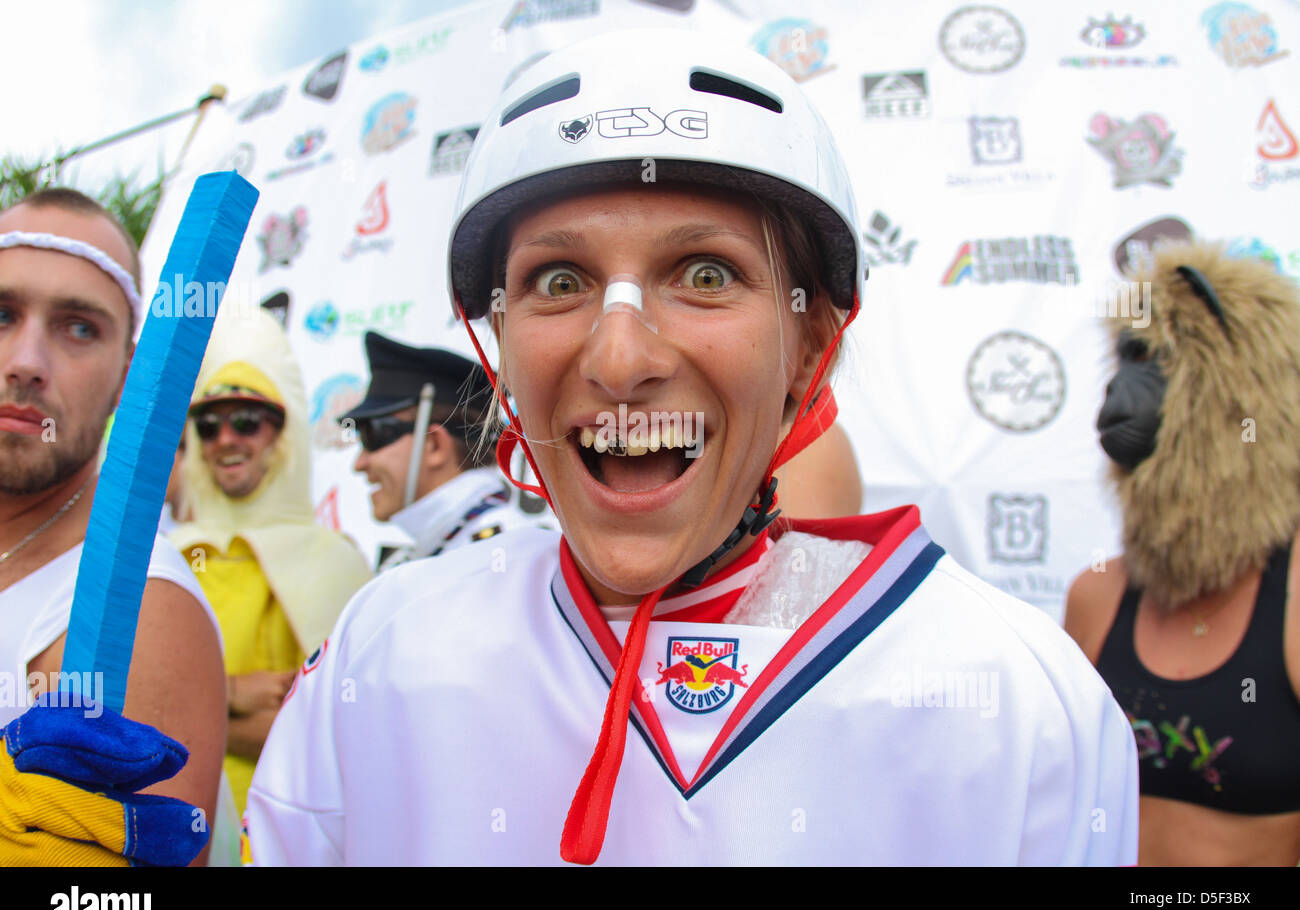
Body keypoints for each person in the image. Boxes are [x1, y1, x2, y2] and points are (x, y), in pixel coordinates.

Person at [247, 29, 1136, 865]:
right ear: (503, 345)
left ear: (811, 347)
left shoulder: (1019, 704)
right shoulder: (383, 658)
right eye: (559, 281)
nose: (622, 357)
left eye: (706, 274)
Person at [0, 187, 225, 864]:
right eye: (1, 314)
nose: (26, 362)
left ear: (130, 377)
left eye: (78, 327)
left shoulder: (141, 610)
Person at [1065, 242, 1300, 865]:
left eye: (1152, 360)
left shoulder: (1293, 600)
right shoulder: (1098, 595)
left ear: (1237, 387)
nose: (1120, 385)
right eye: (1124, 357)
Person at [169, 303, 372, 818]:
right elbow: (117, 709)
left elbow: (350, 733)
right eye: (208, 425)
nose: (226, 440)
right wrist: (231, 694)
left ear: (282, 436)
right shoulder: (166, 560)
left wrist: (198, 712)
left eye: (246, 421)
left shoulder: (336, 564)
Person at [341, 330, 549, 571]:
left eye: (373, 437)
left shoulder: (501, 558)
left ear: (434, 445)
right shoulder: (445, 548)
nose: (359, 464)